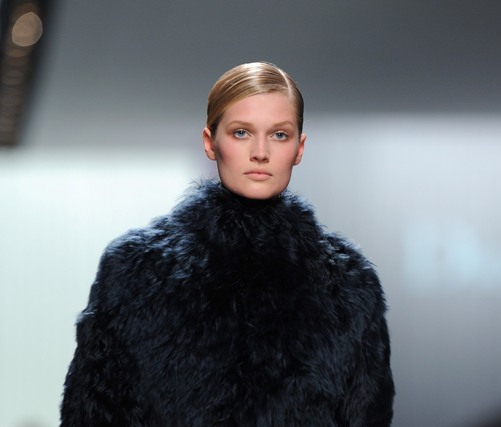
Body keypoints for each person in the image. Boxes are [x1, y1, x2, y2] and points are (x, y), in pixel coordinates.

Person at [60, 61, 395, 426]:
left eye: (279, 135)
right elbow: (92, 412)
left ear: (299, 148)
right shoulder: (134, 271)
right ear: (210, 142)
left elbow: (367, 416)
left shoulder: (348, 285)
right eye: (241, 132)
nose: (260, 152)